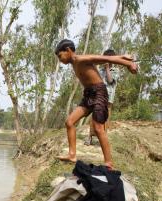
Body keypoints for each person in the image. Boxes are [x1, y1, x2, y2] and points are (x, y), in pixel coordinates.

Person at [55, 39, 137, 169]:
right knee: (69, 122)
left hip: (99, 92)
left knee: (98, 128)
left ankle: (109, 163)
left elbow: (106, 58)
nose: (60, 60)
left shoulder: (82, 59)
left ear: (68, 50)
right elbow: (107, 58)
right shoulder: (74, 63)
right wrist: (122, 56)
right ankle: (72, 155)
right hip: (88, 95)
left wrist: (128, 63)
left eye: (60, 56)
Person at [84, 49, 119, 145]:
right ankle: (90, 137)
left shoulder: (115, 70)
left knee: (105, 119)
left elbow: (110, 81)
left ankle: (102, 140)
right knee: (94, 118)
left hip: (108, 99)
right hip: (97, 97)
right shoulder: (99, 70)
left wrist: (107, 68)